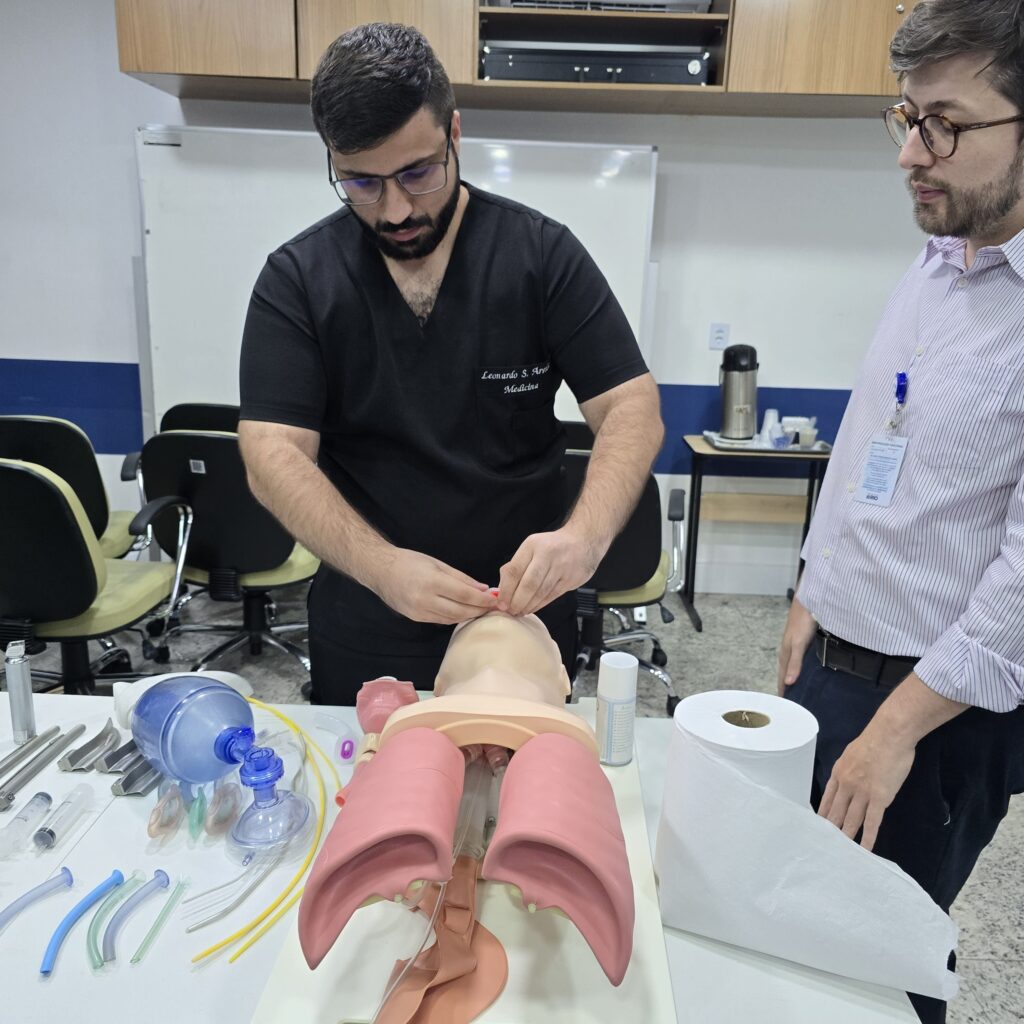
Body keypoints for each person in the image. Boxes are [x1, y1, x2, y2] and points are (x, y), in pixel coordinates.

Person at [237, 23, 664, 705]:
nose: (396, 209)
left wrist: (584, 538)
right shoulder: (298, 280)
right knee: (378, 772)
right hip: (370, 614)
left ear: (455, 133)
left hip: (520, 620)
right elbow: (271, 453)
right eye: (362, 182)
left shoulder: (540, 256)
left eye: (418, 173)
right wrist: (381, 567)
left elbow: (631, 406)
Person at [777, 3, 1024, 1021]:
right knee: (800, 938)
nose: (910, 153)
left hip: (934, 721)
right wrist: (809, 591)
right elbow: (871, 445)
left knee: (882, 969)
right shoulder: (938, 261)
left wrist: (892, 732)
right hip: (837, 666)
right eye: (907, 118)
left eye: (946, 125)